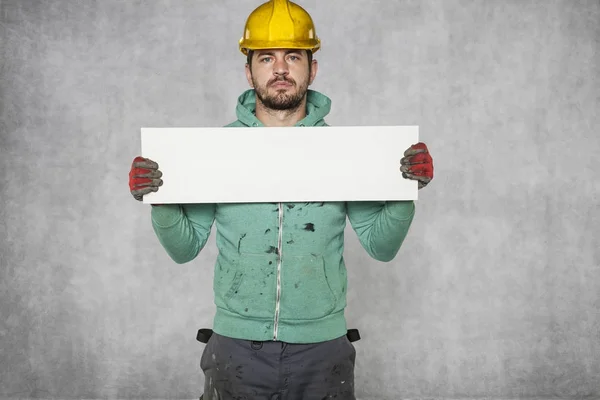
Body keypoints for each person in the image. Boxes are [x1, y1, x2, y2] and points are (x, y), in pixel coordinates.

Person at [128, 0, 434, 398]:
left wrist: (403, 191)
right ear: (249, 69)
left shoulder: (346, 151)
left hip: (322, 350)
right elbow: (184, 249)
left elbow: (382, 246)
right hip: (235, 348)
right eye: (266, 57)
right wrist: (162, 197)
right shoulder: (214, 150)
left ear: (313, 68)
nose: (280, 69)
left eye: (293, 56)